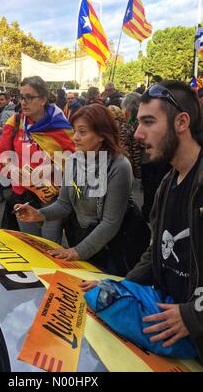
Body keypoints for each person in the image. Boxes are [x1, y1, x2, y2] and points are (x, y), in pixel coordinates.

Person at [82, 81, 203, 361]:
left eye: (148, 122)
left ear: (181, 122)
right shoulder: (167, 183)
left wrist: (192, 315)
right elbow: (156, 250)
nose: (137, 133)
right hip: (166, 308)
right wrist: (120, 285)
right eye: (138, 123)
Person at [15, 103, 133, 273]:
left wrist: (77, 251)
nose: (75, 137)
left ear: (102, 135)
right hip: (81, 238)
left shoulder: (119, 166)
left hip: (112, 248)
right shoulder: (74, 160)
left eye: (82, 132)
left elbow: (110, 222)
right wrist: (39, 214)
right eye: (75, 130)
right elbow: (64, 204)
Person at [0, 76, 75, 243]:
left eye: (29, 97)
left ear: (43, 99)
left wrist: (51, 169)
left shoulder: (59, 123)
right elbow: (3, 153)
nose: (23, 102)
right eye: (21, 97)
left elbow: (72, 156)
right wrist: (12, 169)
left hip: (51, 197)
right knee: (30, 244)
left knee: (50, 245)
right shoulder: (15, 121)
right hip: (22, 194)